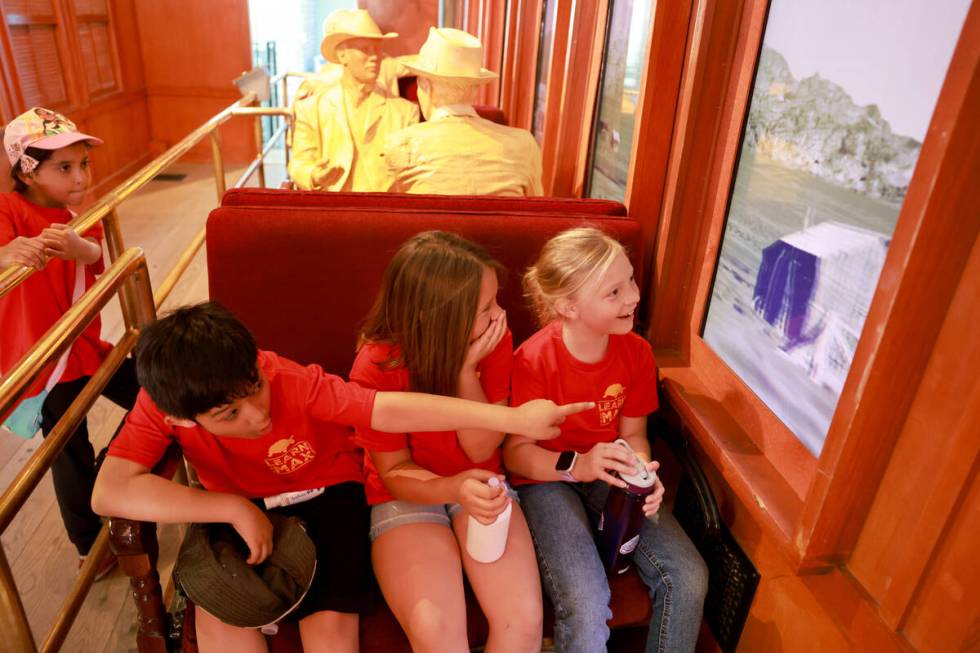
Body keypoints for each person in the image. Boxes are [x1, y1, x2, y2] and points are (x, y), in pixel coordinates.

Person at [92, 302, 589, 653]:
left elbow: (386, 409)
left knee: (330, 638)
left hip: (329, 496)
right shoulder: (163, 406)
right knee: (225, 628)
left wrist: (512, 421)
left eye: (256, 389)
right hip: (239, 506)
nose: (258, 414)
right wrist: (229, 507)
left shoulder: (285, 376)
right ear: (181, 420)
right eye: (230, 415)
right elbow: (110, 489)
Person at [503, 227, 708, 653]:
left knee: (688, 578)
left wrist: (641, 477)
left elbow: (633, 434)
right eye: (613, 292)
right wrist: (579, 465)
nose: (633, 296)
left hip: (608, 472)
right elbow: (518, 454)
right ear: (567, 306)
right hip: (547, 480)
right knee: (586, 600)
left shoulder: (636, 353)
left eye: (630, 280)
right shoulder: (533, 360)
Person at [350, 232, 542, 652]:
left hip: (479, 479)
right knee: (438, 634)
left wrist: (464, 372)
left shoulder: (491, 341)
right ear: (438, 317)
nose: (500, 315)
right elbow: (395, 472)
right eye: (486, 307)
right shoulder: (377, 364)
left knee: (523, 625)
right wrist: (452, 488)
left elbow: (479, 450)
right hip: (406, 493)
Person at [0, 107, 138, 578]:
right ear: (26, 170)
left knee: (155, 396)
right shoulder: (8, 210)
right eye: (65, 167)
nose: (80, 177)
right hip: (43, 359)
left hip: (83, 346)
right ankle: (89, 545)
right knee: (66, 449)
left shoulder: (74, 214)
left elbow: (95, 251)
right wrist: (6, 253)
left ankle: (114, 472)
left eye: (84, 164)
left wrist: (78, 247)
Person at [384, 27, 543, 196]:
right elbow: (538, 213)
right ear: (475, 89)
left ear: (425, 86)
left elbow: (383, 212)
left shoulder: (400, 145)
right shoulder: (525, 145)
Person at [288, 9, 420, 192]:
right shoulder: (312, 108)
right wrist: (314, 176)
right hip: (332, 210)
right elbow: (299, 163)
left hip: (383, 212)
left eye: (377, 49)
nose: (375, 57)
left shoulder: (405, 113)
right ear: (342, 55)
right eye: (365, 49)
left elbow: (412, 173)